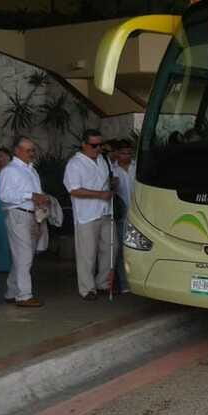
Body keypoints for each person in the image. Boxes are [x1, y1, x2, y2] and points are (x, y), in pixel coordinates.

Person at [63, 129, 115, 301]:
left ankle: (103, 283)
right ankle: (87, 289)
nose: (98, 148)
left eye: (100, 144)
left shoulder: (103, 159)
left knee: (111, 249)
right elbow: (74, 190)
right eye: (94, 145)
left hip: (106, 211)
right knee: (87, 254)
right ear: (84, 145)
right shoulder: (75, 164)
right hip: (86, 215)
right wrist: (100, 195)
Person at [0, 136, 47, 307]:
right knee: (24, 255)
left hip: (33, 215)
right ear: (17, 151)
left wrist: (41, 203)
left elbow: (37, 193)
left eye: (33, 150)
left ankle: (12, 291)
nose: (32, 153)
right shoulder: (9, 170)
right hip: (18, 215)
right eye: (28, 150)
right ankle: (24, 296)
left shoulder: (31, 170)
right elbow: (4, 196)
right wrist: (30, 196)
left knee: (24, 255)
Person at [112, 139, 136, 293]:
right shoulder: (112, 170)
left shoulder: (137, 166)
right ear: (117, 154)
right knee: (121, 251)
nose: (126, 156)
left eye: (128, 153)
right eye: (122, 153)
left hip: (138, 215)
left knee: (136, 250)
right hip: (122, 215)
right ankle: (124, 284)